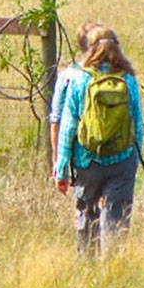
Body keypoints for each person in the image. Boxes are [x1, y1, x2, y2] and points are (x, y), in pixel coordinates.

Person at [54, 25, 144, 254]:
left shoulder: (79, 80)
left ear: (89, 49)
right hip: (122, 160)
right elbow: (138, 123)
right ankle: (113, 269)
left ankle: (87, 267)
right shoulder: (128, 79)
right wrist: (135, 160)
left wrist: (62, 170)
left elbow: (68, 127)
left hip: (87, 162)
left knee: (87, 214)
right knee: (117, 219)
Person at [48, 20, 103, 174]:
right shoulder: (120, 75)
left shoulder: (68, 76)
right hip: (117, 156)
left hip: (83, 157)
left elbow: (56, 120)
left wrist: (58, 162)